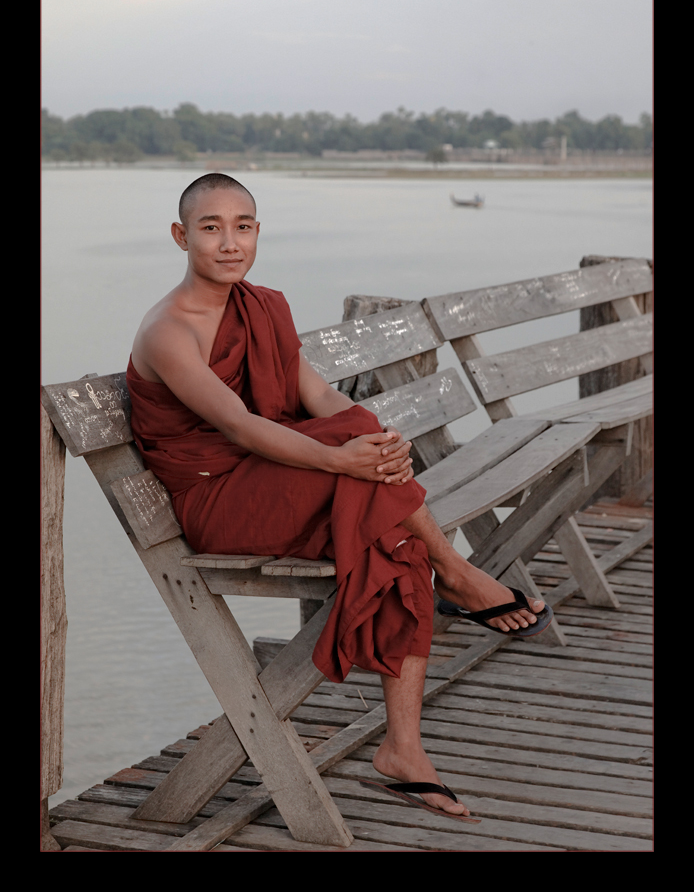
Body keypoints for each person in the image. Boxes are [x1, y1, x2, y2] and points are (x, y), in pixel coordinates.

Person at [127, 173, 548, 818]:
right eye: (211, 228)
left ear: (258, 233)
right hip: (221, 501)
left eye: (243, 226)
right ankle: (458, 574)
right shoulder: (168, 331)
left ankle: (403, 749)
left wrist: (380, 445)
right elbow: (241, 425)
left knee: (388, 517)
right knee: (375, 493)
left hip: (281, 475)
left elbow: (317, 397)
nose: (229, 242)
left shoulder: (262, 306)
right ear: (182, 236)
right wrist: (341, 457)